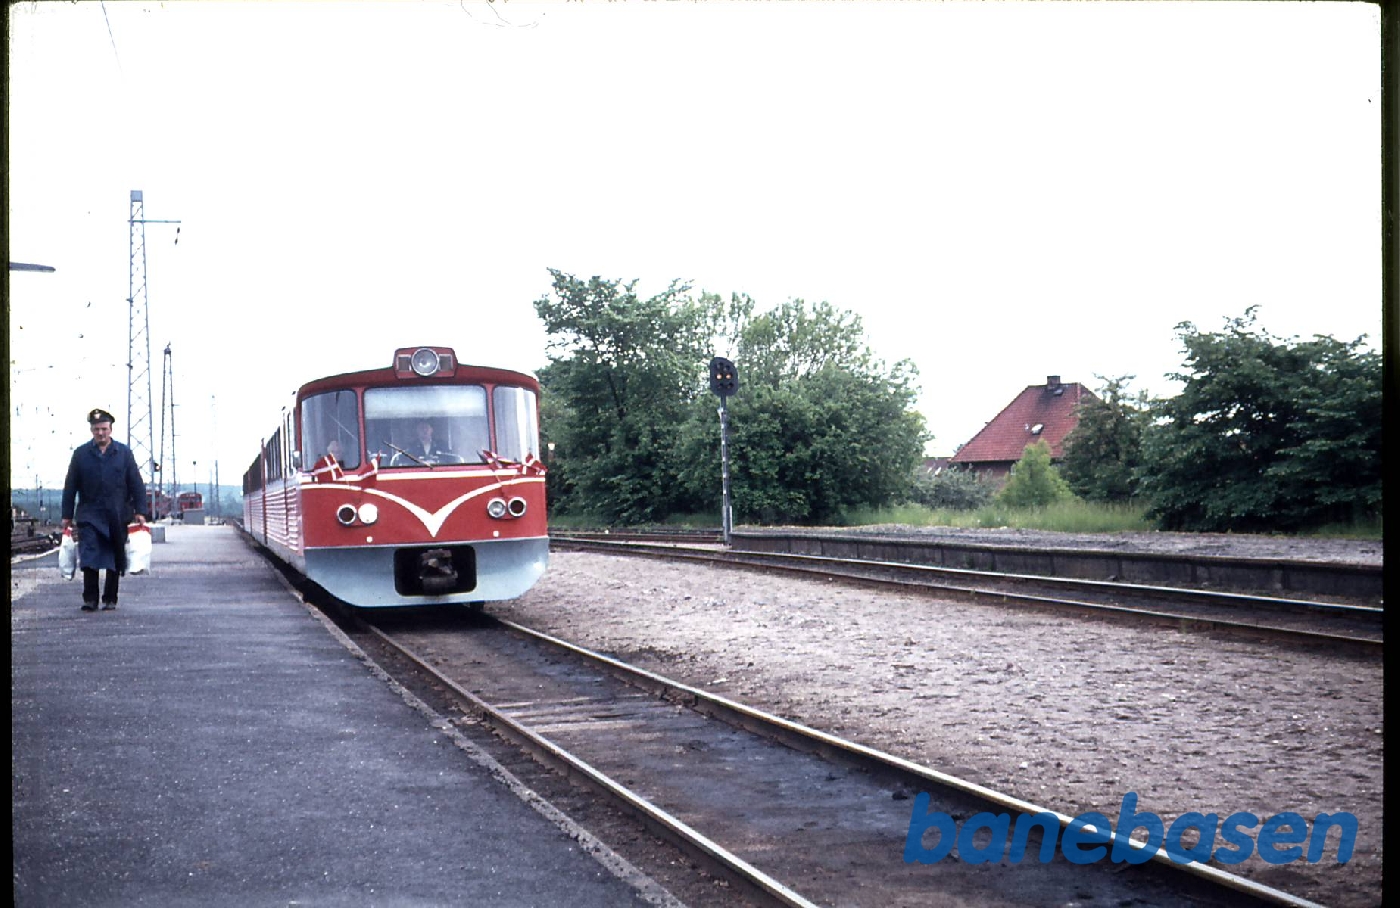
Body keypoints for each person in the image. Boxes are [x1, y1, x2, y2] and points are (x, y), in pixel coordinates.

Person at [61, 408, 149, 612]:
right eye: (96, 429)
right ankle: (90, 599)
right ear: (91, 430)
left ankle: (110, 598)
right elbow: (70, 485)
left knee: (114, 557)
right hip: (89, 514)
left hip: (117, 515)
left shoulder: (123, 453)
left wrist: (140, 511)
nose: (100, 433)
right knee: (89, 556)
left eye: (103, 429)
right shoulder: (81, 454)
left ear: (110, 429)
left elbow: (136, 483)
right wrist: (66, 515)